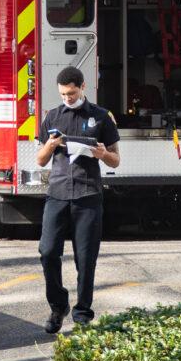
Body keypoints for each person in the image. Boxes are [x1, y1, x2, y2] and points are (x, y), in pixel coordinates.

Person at [34, 66, 120, 334]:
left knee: (86, 258)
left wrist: (102, 154)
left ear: (82, 87)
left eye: (71, 93)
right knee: (47, 252)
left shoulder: (101, 117)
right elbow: (40, 160)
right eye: (63, 94)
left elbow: (116, 160)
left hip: (87, 195)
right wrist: (50, 145)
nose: (67, 98)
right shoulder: (53, 116)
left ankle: (83, 312)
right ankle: (58, 306)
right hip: (57, 193)